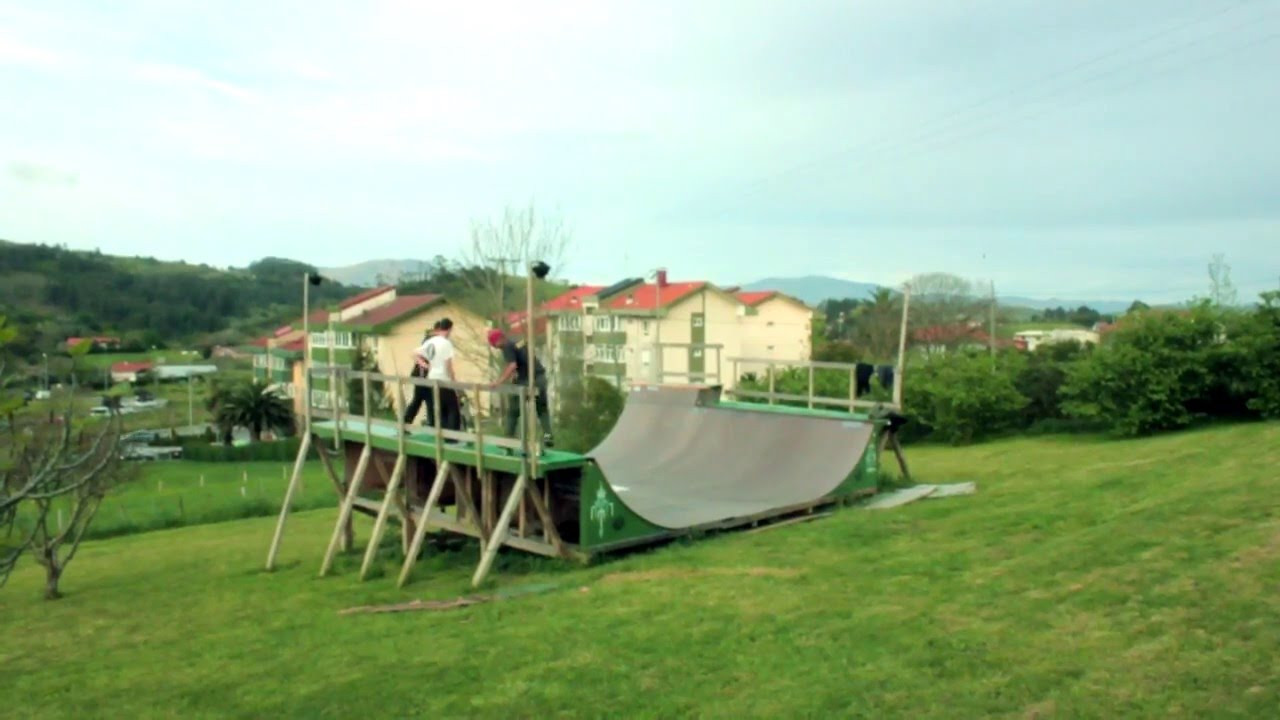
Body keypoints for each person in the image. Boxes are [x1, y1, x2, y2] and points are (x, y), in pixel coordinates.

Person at [487, 327, 552, 447]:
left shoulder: (506, 346)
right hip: (540, 377)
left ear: (498, 340)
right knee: (542, 409)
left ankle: (508, 440)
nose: (496, 347)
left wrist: (498, 382)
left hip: (526, 381)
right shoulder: (516, 340)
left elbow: (512, 365)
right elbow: (523, 359)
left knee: (513, 411)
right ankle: (548, 436)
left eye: (495, 345)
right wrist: (515, 374)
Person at [404, 319, 461, 433]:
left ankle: (433, 426)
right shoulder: (434, 341)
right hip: (424, 376)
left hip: (429, 376)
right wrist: (425, 365)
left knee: (430, 402)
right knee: (421, 400)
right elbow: (444, 363)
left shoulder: (431, 340)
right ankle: (409, 423)